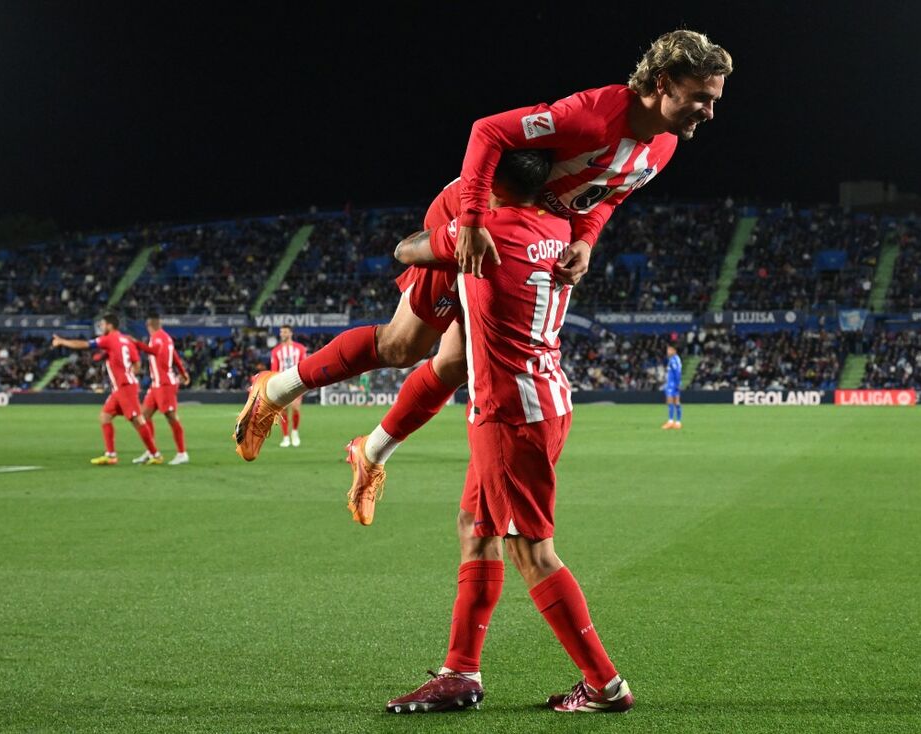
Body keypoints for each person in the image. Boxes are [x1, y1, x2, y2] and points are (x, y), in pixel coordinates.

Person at [235, 30, 732, 525]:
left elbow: (609, 197)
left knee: (454, 366)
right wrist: (471, 222)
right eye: (702, 98)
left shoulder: (663, 146)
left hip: (519, 235)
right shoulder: (592, 114)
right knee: (402, 348)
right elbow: (487, 131)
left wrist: (585, 240)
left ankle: (370, 454)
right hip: (475, 217)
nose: (709, 112)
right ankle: (275, 392)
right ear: (664, 82)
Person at [384, 149, 633, 715]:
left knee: (531, 550)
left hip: (510, 412)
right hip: (543, 395)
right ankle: (460, 672)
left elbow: (405, 249)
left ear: (490, 186)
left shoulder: (486, 230)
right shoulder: (560, 225)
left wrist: (461, 218)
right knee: (476, 527)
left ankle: (605, 685)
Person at [52, 313, 162, 465]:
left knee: (137, 420)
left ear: (110, 326)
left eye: (103, 324)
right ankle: (111, 455)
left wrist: (62, 341)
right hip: (122, 386)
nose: (101, 327)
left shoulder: (109, 338)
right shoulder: (127, 341)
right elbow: (137, 365)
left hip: (125, 387)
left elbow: (84, 345)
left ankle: (155, 454)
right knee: (105, 416)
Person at [132, 312, 191, 465]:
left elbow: (156, 351)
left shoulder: (158, 338)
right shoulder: (165, 337)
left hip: (165, 384)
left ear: (148, 326)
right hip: (156, 385)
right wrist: (183, 373)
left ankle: (182, 453)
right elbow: (175, 357)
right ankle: (151, 451)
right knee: (143, 417)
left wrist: (137, 344)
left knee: (171, 417)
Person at [270, 326, 306, 447]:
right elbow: (274, 369)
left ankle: (294, 432)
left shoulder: (300, 348)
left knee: (296, 407)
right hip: (282, 382)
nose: (282, 334)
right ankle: (286, 437)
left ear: (290, 333)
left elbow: (303, 364)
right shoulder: (276, 351)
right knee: (283, 411)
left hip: (296, 381)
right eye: (281, 332)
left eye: (285, 332)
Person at [662, 343, 683, 429]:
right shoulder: (677, 359)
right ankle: (678, 422)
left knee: (671, 402)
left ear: (674, 350)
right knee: (676, 402)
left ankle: (671, 421)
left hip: (672, 384)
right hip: (675, 383)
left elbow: (677, 373)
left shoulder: (673, 360)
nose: (668, 351)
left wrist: (677, 384)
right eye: (667, 349)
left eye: (670, 349)